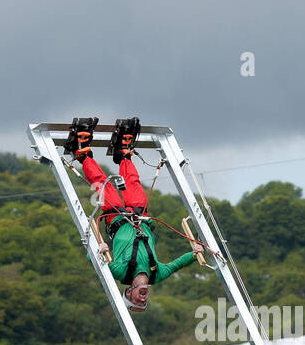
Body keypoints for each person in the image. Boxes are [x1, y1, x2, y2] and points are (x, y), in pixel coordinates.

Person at [68, 116, 208, 312]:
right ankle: (123, 153)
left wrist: (100, 249)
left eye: (137, 301)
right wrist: (196, 254)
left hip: (116, 217)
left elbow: (95, 261)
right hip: (139, 215)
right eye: (144, 302)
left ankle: (82, 152)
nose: (143, 299)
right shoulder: (156, 274)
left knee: (102, 184)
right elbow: (177, 265)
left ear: (129, 293)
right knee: (133, 182)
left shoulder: (120, 272)